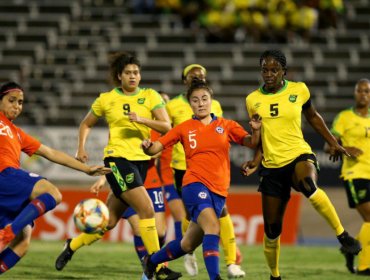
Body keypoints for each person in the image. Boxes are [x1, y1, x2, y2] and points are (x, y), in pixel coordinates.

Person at [55, 52, 181, 279]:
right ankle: (158, 267)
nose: (133, 76)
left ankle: (71, 245)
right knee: (147, 210)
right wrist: (80, 148)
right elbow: (86, 123)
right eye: (128, 73)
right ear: (119, 76)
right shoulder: (106, 98)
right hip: (117, 161)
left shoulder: (151, 96)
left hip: (141, 162)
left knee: (110, 221)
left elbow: (166, 126)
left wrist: (143, 120)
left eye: (136, 72)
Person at [242, 49, 362, 280]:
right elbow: (260, 139)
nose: (269, 74)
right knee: (272, 230)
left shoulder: (299, 90)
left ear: (283, 71)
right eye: (265, 70)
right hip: (272, 165)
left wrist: (333, 142)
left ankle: (342, 236)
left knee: (308, 184)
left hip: (299, 154)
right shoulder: (252, 100)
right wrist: (256, 162)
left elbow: (314, 117)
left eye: (274, 70)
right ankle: (274, 275)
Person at [141, 79, 261, 280]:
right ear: (190, 104)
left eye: (204, 99)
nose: (201, 103)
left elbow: (252, 143)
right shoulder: (184, 128)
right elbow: (156, 147)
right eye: (195, 100)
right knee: (214, 226)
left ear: (211, 101)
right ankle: (215, 277)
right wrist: (147, 147)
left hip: (219, 191)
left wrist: (256, 129)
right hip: (194, 185)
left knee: (187, 244)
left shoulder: (226, 125)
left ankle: (151, 262)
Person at [0, 81, 111, 274]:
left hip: (6, 190)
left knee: (23, 241)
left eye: (20, 102)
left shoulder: (17, 134)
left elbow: (50, 152)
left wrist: (85, 169)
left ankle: (10, 233)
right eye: (11, 101)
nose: (17, 106)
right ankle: (6, 233)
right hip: (4, 174)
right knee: (52, 193)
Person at [166, 64, 245, 278]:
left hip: (212, 171)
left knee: (220, 213)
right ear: (185, 80)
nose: (197, 78)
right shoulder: (172, 105)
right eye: (192, 76)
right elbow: (166, 131)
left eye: (201, 76)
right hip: (184, 168)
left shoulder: (214, 104)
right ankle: (191, 251)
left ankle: (230, 261)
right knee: (197, 216)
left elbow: (218, 131)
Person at [326, 78, 370, 276]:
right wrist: (344, 148)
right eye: (360, 90)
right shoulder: (344, 117)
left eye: (367, 91)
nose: (363, 94)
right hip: (354, 173)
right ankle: (364, 267)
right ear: (354, 93)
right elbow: (329, 145)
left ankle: (350, 248)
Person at [158, 91, 187, 243]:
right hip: (155, 179)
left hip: (170, 175)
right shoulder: (150, 129)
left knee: (180, 218)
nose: (164, 106)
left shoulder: (173, 130)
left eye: (166, 103)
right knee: (159, 228)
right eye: (161, 103)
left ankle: (183, 252)